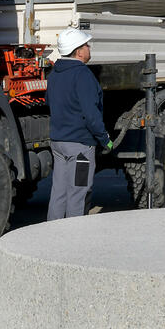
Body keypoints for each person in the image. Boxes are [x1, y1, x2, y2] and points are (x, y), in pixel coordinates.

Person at [46, 27, 113, 220]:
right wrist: (104, 139)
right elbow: (91, 114)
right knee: (78, 193)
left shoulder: (54, 74)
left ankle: (50, 237)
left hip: (58, 144)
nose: (89, 47)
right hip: (80, 149)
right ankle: (73, 243)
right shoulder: (82, 75)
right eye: (86, 45)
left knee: (58, 193)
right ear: (78, 51)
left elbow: (49, 103)